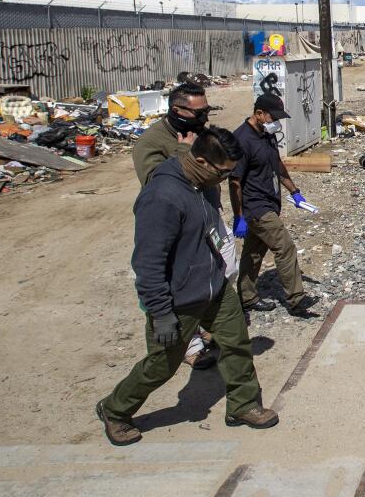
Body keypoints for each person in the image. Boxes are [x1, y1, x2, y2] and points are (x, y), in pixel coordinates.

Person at [97, 127, 277, 446]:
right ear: (204, 163)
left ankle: (243, 405)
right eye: (222, 172)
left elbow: (184, 153)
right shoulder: (162, 197)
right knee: (161, 365)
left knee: (235, 345)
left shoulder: (198, 176)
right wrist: (161, 313)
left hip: (214, 287)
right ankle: (115, 410)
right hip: (179, 299)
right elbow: (148, 264)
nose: (225, 179)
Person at [132, 82, 227, 370]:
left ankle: (205, 323)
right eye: (199, 112)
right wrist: (181, 151)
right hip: (178, 225)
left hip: (207, 215)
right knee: (180, 282)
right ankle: (189, 345)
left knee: (217, 272)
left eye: (206, 110)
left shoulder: (200, 133)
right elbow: (155, 185)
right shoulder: (152, 142)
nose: (204, 117)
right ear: (178, 110)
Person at [229, 93, 319, 316]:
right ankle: (297, 299)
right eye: (273, 117)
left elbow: (277, 165)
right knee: (284, 247)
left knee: (253, 253)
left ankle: (247, 297)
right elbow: (235, 182)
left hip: (270, 201)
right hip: (256, 207)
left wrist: (295, 192)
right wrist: (239, 215)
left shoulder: (266, 135)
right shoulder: (241, 140)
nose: (276, 123)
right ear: (258, 114)